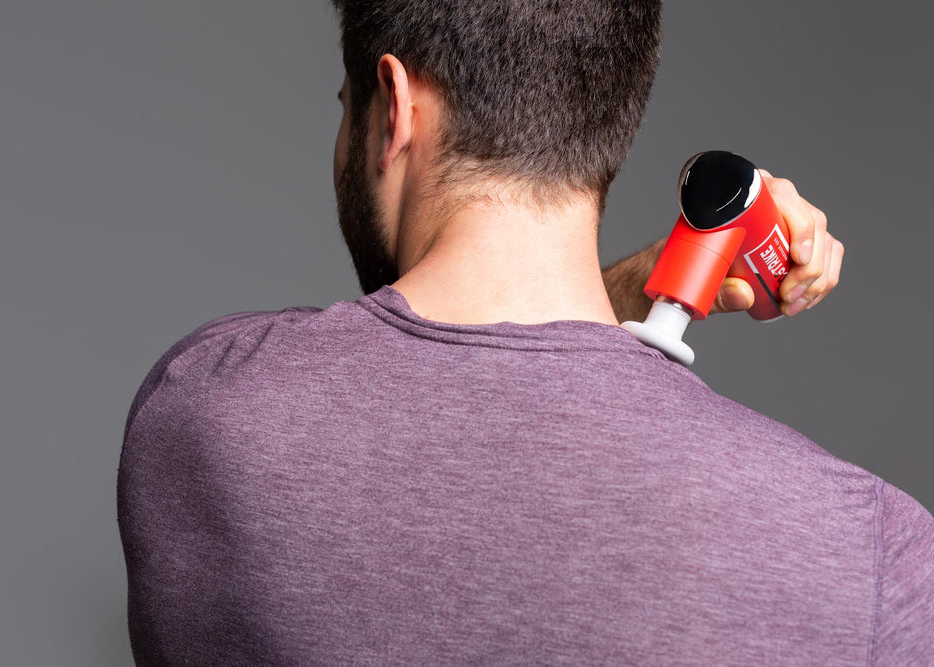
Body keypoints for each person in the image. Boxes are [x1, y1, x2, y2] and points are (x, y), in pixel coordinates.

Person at [117, 1, 933, 664]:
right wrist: (654, 285)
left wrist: (647, 290)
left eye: (346, 110)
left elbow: (449, 372)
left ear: (394, 109)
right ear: (608, 120)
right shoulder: (872, 547)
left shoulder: (202, 414)